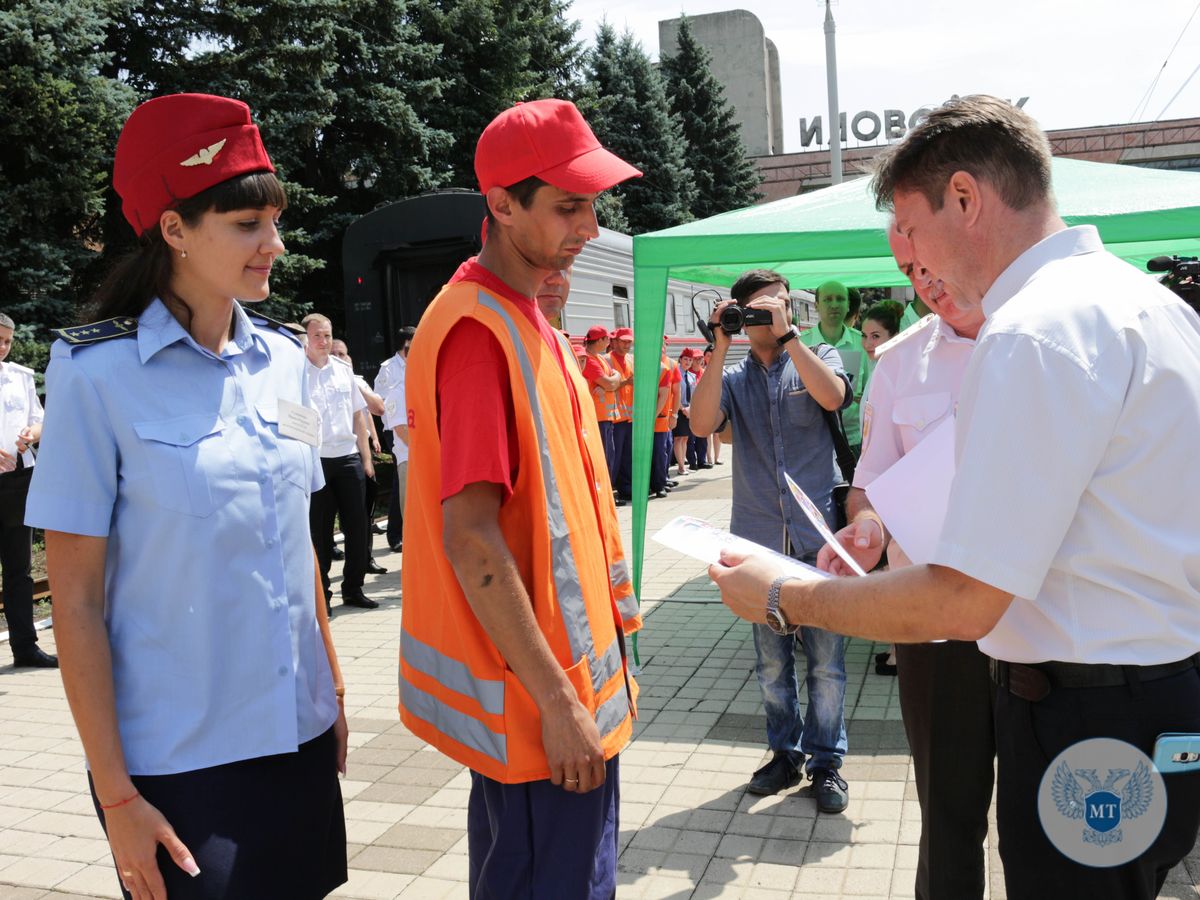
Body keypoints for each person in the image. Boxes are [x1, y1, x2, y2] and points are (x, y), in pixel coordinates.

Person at [708, 94, 1200, 900]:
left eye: (914, 226)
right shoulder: (1154, 306)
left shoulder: (1035, 330)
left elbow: (966, 599)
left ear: (966, 198)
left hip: (1084, 710)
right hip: (1154, 693)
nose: (916, 255)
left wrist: (787, 596)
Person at [25, 93, 348, 899]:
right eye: (247, 225)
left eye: (274, 222)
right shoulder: (94, 374)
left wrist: (332, 692)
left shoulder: (283, 362)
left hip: (297, 736)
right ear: (173, 228)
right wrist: (116, 793)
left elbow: (299, 539)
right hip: (180, 762)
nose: (273, 244)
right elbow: (76, 602)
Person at [398, 98, 642, 900]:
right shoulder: (479, 334)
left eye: (594, 203)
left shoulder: (523, 316)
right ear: (501, 206)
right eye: (569, 207)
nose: (591, 226)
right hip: (545, 714)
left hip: (559, 706)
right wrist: (560, 702)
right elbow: (471, 537)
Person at [848, 225, 991, 898]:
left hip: (1041, 625)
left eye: (930, 262)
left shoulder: (1037, 341)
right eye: (909, 271)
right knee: (947, 813)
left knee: (1039, 821)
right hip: (935, 625)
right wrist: (867, 532)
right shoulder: (900, 359)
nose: (924, 283)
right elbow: (870, 484)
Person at [689, 268, 854, 813]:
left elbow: (834, 399)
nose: (768, 316)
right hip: (759, 543)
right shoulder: (732, 377)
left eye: (777, 306)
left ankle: (827, 764)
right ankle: (784, 753)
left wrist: (790, 338)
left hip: (818, 539)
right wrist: (718, 345)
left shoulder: (819, 356)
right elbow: (700, 424)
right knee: (771, 665)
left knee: (826, 663)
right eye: (756, 309)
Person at [304, 314, 377, 611]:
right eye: (318, 336)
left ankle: (354, 588)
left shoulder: (343, 370)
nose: (324, 341)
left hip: (347, 457)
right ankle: (324, 594)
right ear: (307, 339)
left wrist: (366, 458)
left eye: (327, 335)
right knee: (319, 531)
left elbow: (359, 415)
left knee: (357, 527)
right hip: (316, 459)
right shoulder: (295, 372)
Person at [0, 314, 53, 669]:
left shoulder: (20, 376)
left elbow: (40, 418)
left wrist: (31, 434)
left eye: (6, 341)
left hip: (17, 480)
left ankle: (25, 648)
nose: (2, 348)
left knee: (19, 569)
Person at [331, 340, 388, 576]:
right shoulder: (318, 377)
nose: (338, 358)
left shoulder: (357, 381)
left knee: (362, 514)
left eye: (342, 354)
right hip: (333, 454)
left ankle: (365, 559)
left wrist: (374, 439)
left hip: (358, 452)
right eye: (334, 354)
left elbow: (375, 410)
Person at [800, 280, 868, 453]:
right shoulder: (801, 344)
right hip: (812, 440)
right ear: (816, 305)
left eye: (840, 299)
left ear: (847, 306)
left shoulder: (862, 343)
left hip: (854, 440)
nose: (834, 304)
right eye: (828, 299)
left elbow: (872, 390)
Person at [374, 326, 413, 554]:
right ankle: (395, 534)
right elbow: (381, 401)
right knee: (401, 484)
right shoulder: (388, 369)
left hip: (415, 427)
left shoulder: (420, 362)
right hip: (397, 428)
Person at [581, 323, 620, 474]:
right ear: (599, 341)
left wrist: (614, 379)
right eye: (607, 339)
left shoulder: (598, 358)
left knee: (609, 456)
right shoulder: (591, 360)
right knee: (605, 458)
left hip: (605, 416)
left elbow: (613, 382)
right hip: (599, 417)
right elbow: (610, 383)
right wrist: (614, 378)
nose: (609, 343)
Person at [608, 326, 635, 502]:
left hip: (629, 416)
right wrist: (626, 382)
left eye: (629, 342)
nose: (627, 345)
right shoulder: (607, 360)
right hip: (614, 416)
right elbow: (607, 386)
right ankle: (611, 493)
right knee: (613, 457)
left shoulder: (631, 359)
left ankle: (626, 489)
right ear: (615, 341)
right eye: (623, 341)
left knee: (627, 456)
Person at [671, 348, 696, 476]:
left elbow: (694, 394)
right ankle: (681, 467)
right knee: (678, 438)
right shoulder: (676, 373)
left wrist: (690, 408)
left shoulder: (692, 376)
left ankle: (683, 466)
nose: (688, 362)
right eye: (685, 359)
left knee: (685, 438)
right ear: (680, 359)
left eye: (690, 360)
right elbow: (673, 393)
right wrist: (682, 408)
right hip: (678, 409)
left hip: (688, 410)